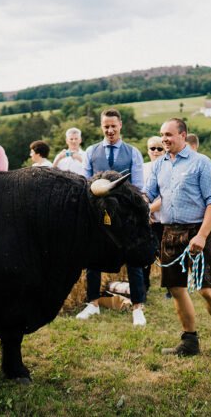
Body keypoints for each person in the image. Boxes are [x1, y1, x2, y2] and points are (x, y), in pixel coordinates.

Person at [144, 118, 211, 365]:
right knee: (176, 288)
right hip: (169, 233)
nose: (164, 139)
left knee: (206, 289)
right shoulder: (158, 166)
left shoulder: (201, 163)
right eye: (162, 135)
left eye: (169, 134)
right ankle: (189, 341)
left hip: (196, 232)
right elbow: (149, 195)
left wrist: (202, 236)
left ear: (183, 136)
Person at [78, 108, 148, 326]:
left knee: (133, 260)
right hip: (98, 215)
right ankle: (93, 304)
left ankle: (138, 307)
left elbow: (139, 187)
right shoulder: (91, 151)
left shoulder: (133, 152)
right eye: (105, 126)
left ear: (120, 126)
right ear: (102, 127)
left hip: (125, 217)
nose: (109, 130)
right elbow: (84, 182)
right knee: (93, 259)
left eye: (113, 126)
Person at [142, 136, 165, 290]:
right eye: (152, 148)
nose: (155, 151)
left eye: (159, 148)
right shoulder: (142, 168)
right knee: (145, 254)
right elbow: (138, 191)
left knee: (166, 255)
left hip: (164, 219)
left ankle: (171, 287)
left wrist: (148, 210)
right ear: (148, 150)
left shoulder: (169, 167)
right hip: (145, 220)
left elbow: (167, 195)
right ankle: (144, 286)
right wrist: (143, 213)